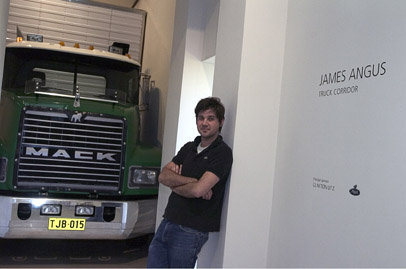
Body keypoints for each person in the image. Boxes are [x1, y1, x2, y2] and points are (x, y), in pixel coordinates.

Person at [147, 97, 233, 268]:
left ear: (221, 122)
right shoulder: (188, 147)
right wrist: (191, 181)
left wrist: (178, 183)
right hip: (168, 221)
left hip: (192, 229)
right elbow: (163, 176)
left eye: (210, 118)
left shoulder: (222, 153)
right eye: (201, 118)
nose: (204, 123)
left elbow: (198, 191)